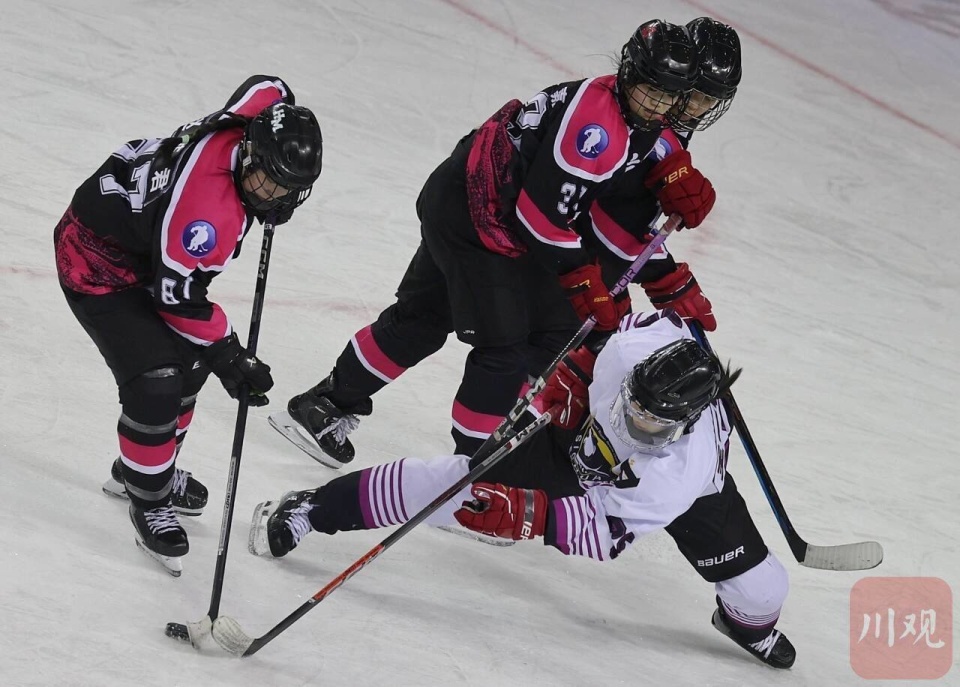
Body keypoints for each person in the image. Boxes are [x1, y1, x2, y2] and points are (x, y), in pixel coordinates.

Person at [271, 19, 718, 468]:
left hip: (481, 207)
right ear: (628, 72)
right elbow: (541, 217)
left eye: (671, 95)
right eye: (651, 89)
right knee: (505, 347)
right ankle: (470, 477)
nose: (659, 102)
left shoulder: (645, 121)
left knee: (430, 320)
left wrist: (665, 279)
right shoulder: (594, 126)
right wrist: (586, 281)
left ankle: (325, 404)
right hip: (477, 219)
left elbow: (606, 216)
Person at [249, 308, 795, 669]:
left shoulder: (678, 474)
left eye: (652, 422)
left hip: (657, 496)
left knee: (762, 590)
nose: (636, 418)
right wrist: (575, 371)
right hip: (577, 436)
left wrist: (528, 514)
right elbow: (620, 324)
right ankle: (314, 508)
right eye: (634, 403)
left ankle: (746, 625)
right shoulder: (635, 356)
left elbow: (605, 532)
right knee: (453, 486)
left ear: (681, 426)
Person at [54, 75, 324, 575]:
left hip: (142, 246)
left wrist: (283, 120)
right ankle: (149, 499)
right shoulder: (206, 217)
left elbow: (270, 85)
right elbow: (176, 300)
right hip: (97, 261)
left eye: (290, 188)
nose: (277, 195)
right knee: (156, 381)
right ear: (249, 155)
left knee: (190, 363)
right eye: (271, 181)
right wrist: (230, 354)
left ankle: (141, 469)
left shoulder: (251, 121)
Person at [580, 17, 742, 338]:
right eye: (695, 93)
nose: (696, 108)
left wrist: (664, 275)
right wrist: (663, 275)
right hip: (566, 256)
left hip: (589, 256)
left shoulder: (670, 124)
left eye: (709, 100)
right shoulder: (637, 117)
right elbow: (603, 209)